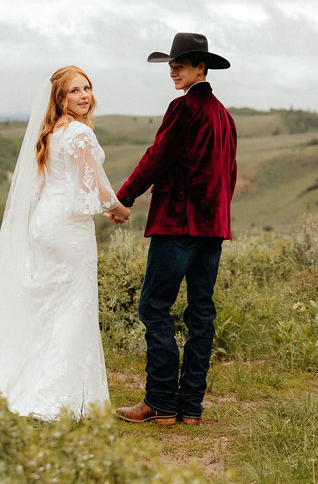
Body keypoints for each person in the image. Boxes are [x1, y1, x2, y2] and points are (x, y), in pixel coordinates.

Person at [0, 65, 130, 420]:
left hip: (44, 225)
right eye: (75, 91)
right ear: (60, 97)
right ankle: (58, 393)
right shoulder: (80, 134)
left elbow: (45, 185)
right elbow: (90, 189)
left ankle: (28, 376)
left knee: (47, 304)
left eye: (87, 88)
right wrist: (117, 208)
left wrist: (104, 203)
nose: (84, 96)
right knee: (73, 305)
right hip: (68, 229)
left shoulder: (51, 132)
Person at [110, 33, 237, 427]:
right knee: (201, 314)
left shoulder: (184, 109)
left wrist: (124, 197)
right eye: (171, 64)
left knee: (153, 306)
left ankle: (161, 403)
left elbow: (157, 158)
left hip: (178, 224)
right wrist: (217, 217)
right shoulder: (224, 115)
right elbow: (229, 174)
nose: (172, 70)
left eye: (179, 64)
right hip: (212, 228)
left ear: (202, 67)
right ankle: (191, 409)